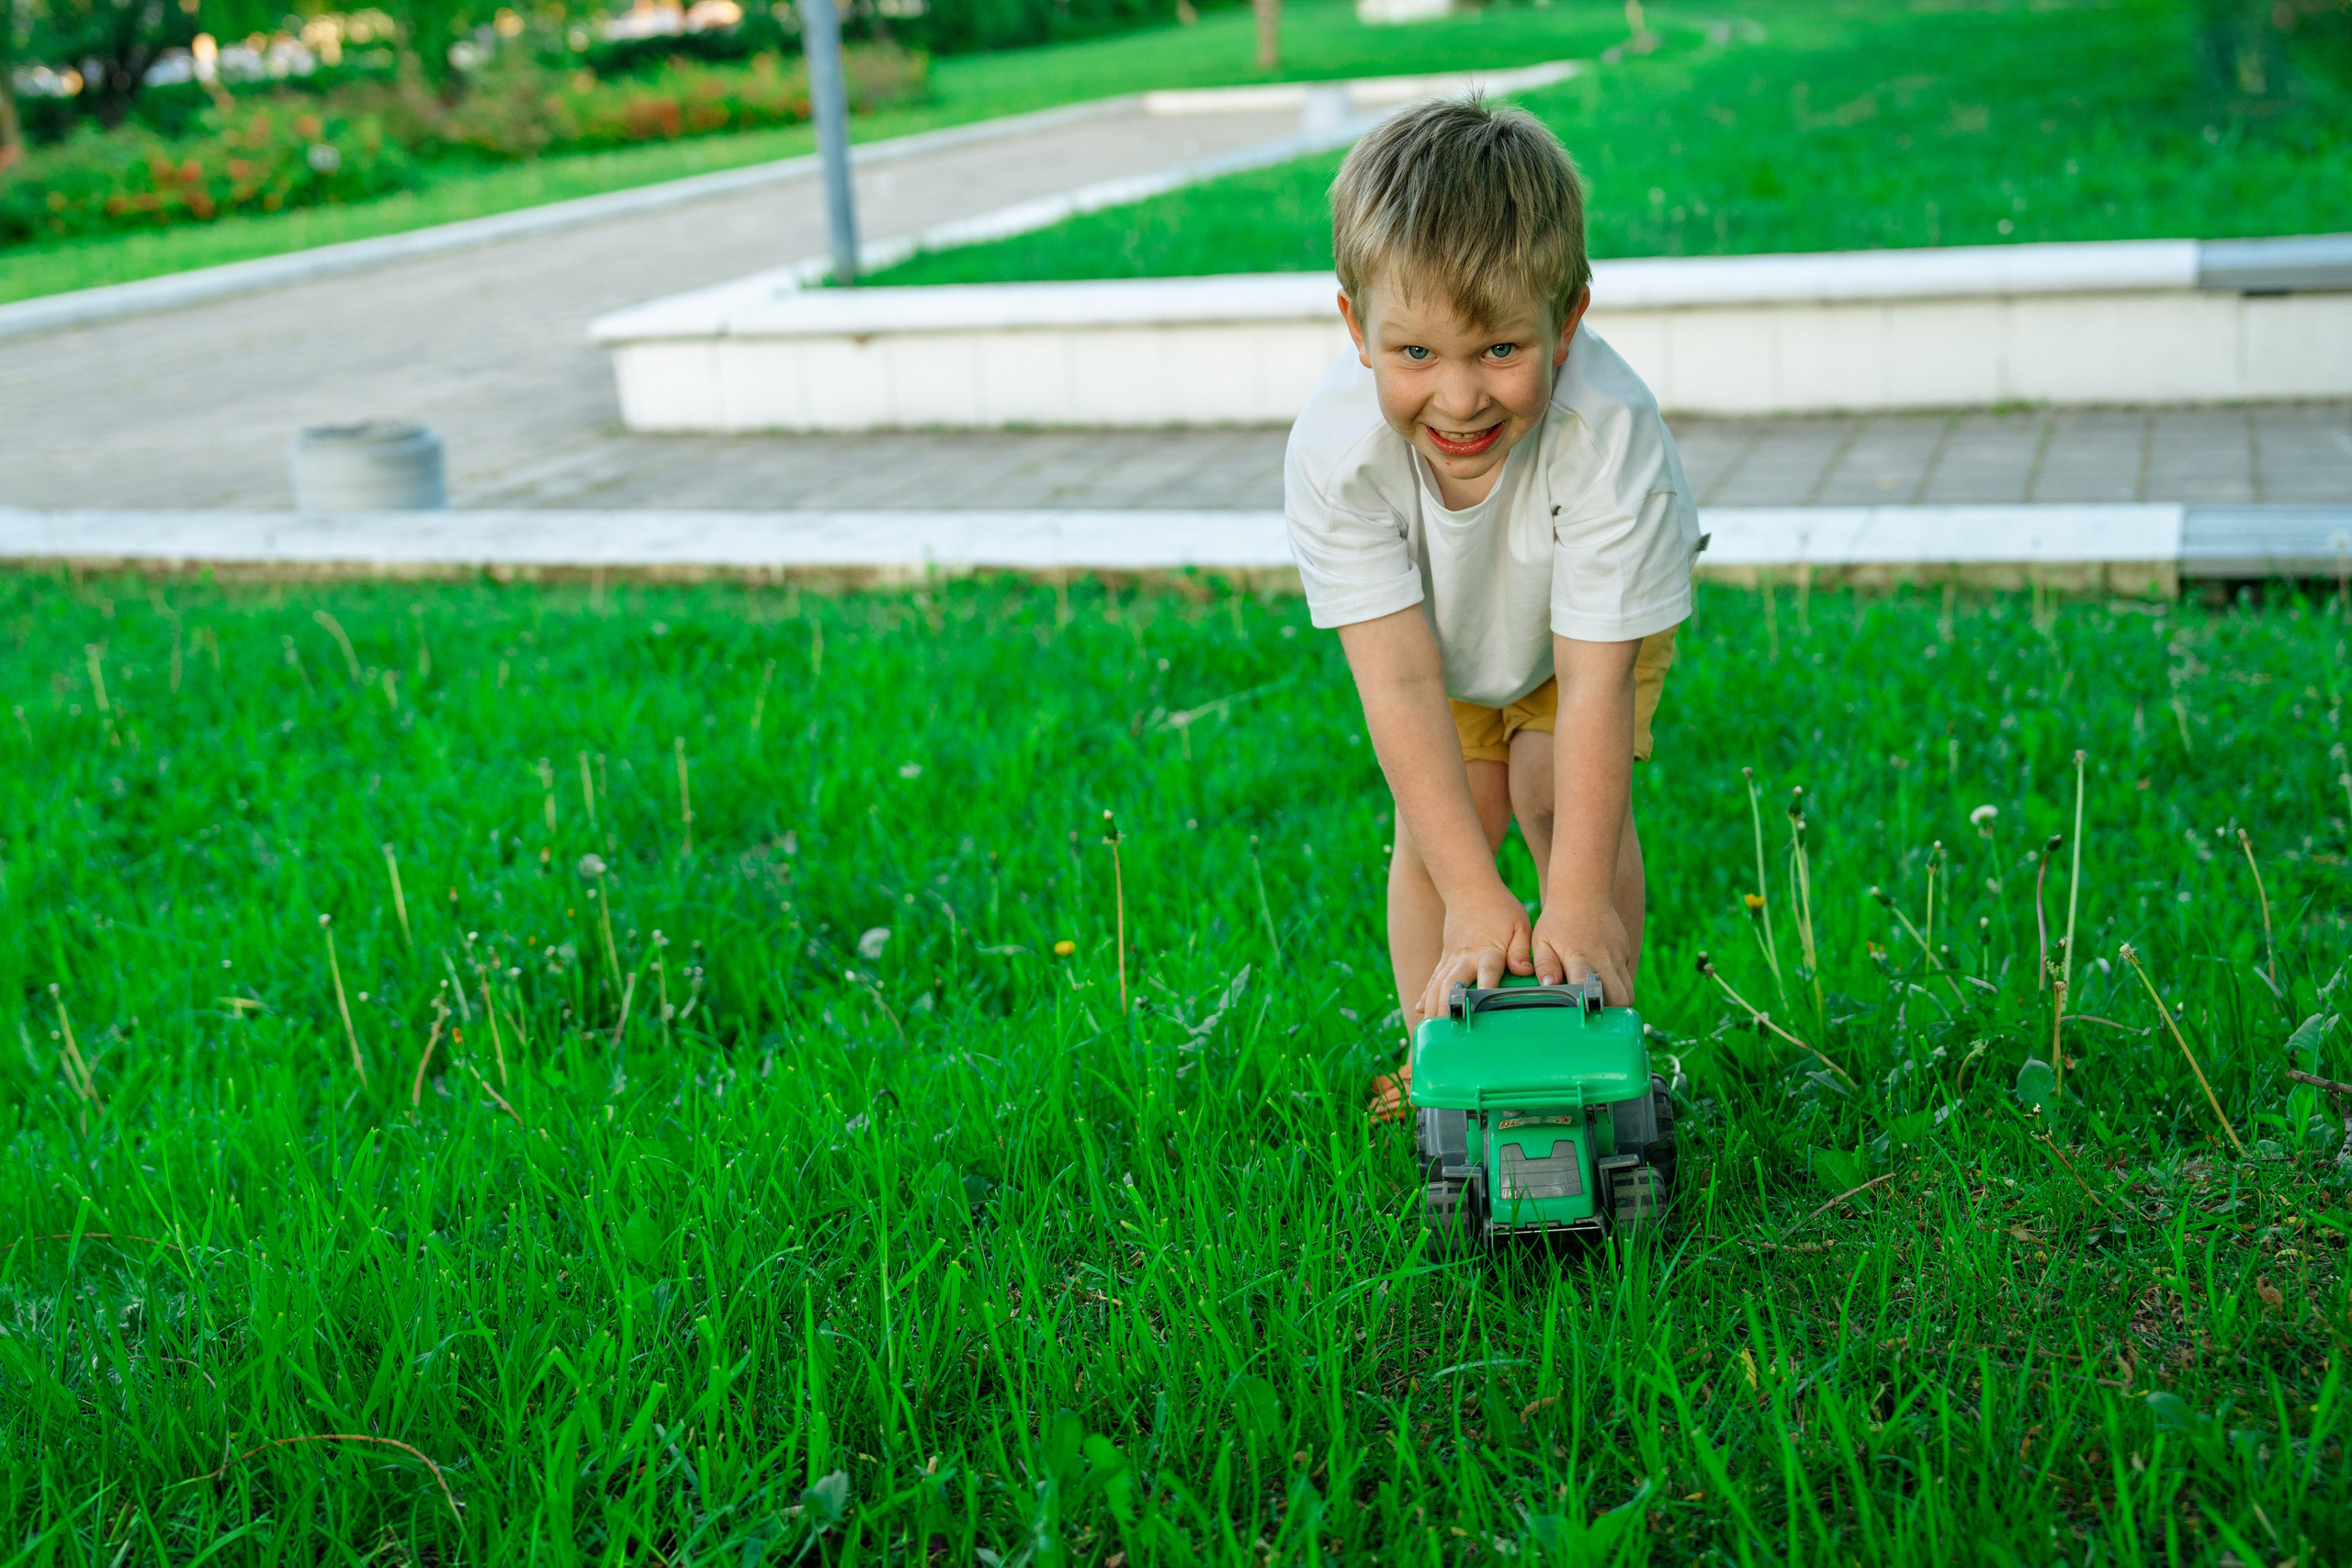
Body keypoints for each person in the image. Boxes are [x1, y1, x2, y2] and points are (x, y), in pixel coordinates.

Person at [1282, 95, 1700, 1122]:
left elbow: (1595, 679)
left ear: (1566, 321)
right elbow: (1399, 680)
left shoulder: (1610, 442)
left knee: (1553, 794)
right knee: (1446, 833)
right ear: (1355, 326)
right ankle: (1434, 1056)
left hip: (1580, 644)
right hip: (1442, 641)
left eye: (1500, 352)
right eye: (1416, 354)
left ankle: (1594, 1022)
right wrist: (1476, 895)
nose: (1460, 399)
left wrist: (1575, 901)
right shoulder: (1337, 459)